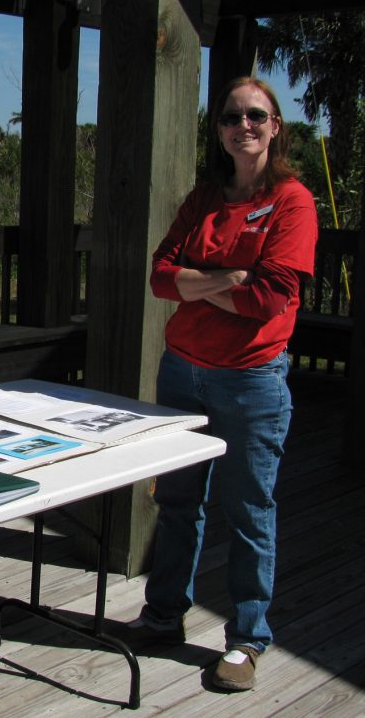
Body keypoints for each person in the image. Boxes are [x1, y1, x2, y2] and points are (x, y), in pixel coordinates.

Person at [123, 76, 318, 691]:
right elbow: (160, 276)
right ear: (220, 130)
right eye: (231, 117)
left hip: (251, 381)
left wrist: (196, 282)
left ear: (275, 125)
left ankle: (246, 639)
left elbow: (270, 298)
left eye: (255, 115)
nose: (243, 126)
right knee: (178, 502)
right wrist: (227, 277)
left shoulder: (292, 202)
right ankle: (163, 616)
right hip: (182, 371)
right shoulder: (204, 197)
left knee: (248, 510)